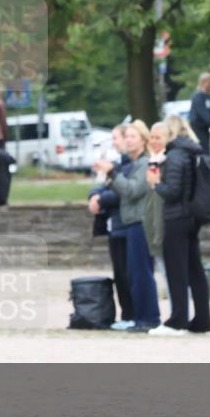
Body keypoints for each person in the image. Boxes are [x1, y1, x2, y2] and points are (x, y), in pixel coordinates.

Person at [145, 115, 210, 335]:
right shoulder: (193, 152)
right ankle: (202, 320)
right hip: (192, 217)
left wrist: (156, 184)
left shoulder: (175, 155)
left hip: (176, 217)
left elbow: (172, 192)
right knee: (195, 270)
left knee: (177, 271)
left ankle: (178, 320)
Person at [90, 120, 161, 332]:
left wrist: (112, 174)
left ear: (143, 140)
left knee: (141, 273)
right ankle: (141, 317)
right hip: (132, 222)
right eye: (127, 136)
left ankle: (149, 317)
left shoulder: (144, 163)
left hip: (141, 222)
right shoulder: (133, 163)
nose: (128, 140)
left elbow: (131, 190)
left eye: (133, 137)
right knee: (134, 273)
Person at [87, 124, 134, 326]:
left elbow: (122, 191)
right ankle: (127, 314)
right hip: (114, 225)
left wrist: (101, 200)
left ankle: (132, 314)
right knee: (119, 273)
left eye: (116, 138)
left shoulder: (130, 165)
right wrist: (94, 195)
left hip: (126, 224)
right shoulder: (119, 164)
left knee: (127, 272)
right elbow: (103, 185)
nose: (114, 142)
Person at [145, 122, 168, 299]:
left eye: (158, 137)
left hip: (165, 224)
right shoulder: (151, 160)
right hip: (152, 223)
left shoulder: (167, 162)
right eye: (152, 137)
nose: (154, 141)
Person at [188, 72, 210, 153]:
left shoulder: (209, 97)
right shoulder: (198, 96)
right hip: (197, 129)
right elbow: (202, 113)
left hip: (205, 129)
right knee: (202, 150)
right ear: (204, 82)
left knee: (206, 149)